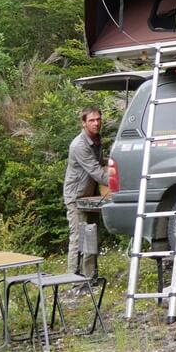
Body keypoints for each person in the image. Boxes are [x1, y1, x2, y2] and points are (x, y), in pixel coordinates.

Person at [63, 106, 108, 276]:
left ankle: (89, 278)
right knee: (78, 238)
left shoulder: (96, 139)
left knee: (91, 235)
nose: (96, 123)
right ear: (83, 123)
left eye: (98, 119)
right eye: (91, 120)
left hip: (90, 196)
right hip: (76, 197)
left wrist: (114, 161)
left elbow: (98, 161)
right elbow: (96, 171)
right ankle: (73, 280)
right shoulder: (79, 145)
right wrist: (119, 182)